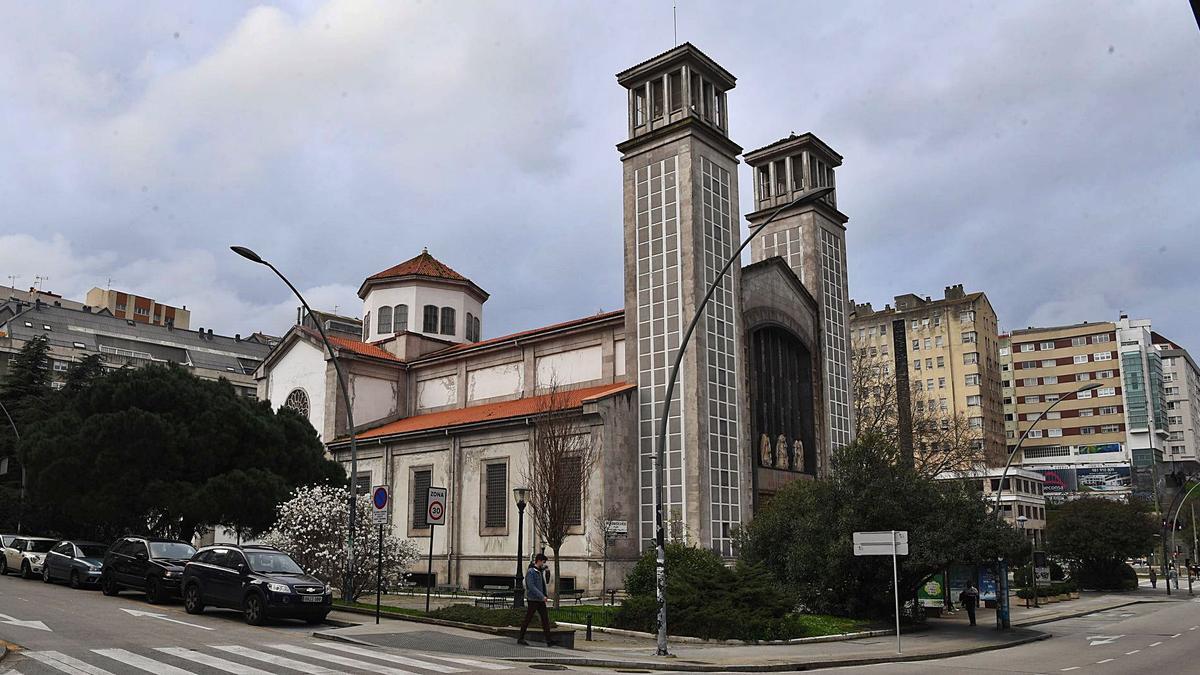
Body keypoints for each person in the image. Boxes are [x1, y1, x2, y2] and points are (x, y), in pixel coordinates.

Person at [517, 553, 553, 646]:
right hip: (533, 600)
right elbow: (531, 586)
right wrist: (542, 596)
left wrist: (544, 595)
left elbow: (543, 585)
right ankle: (520, 638)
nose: (544, 564)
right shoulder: (531, 572)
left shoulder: (539, 571)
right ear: (539, 561)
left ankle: (549, 640)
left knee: (545, 619)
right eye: (543, 562)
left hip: (540, 600)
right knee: (528, 618)